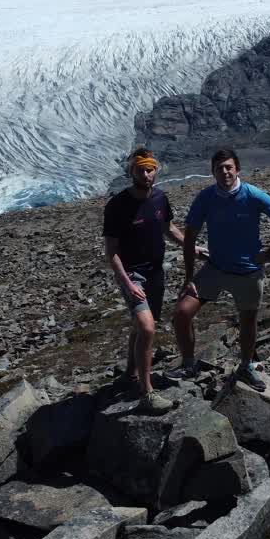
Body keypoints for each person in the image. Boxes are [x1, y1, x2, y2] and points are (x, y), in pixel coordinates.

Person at [169, 149, 270, 391]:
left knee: (248, 320)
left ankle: (246, 366)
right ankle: (188, 364)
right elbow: (190, 238)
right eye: (219, 168)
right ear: (213, 172)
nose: (224, 171)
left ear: (237, 169)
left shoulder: (252, 195)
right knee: (182, 312)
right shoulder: (205, 198)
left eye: (228, 167)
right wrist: (188, 278)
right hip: (215, 267)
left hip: (248, 270)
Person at [103, 148, 186, 413]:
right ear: (132, 171)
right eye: (141, 169)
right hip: (133, 275)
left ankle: (129, 373)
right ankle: (146, 392)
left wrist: (191, 246)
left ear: (156, 170)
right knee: (148, 328)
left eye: (150, 169)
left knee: (141, 328)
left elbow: (168, 228)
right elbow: (111, 251)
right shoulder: (117, 206)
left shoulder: (160, 199)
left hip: (155, 273)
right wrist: (127, 283)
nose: (146, 174)